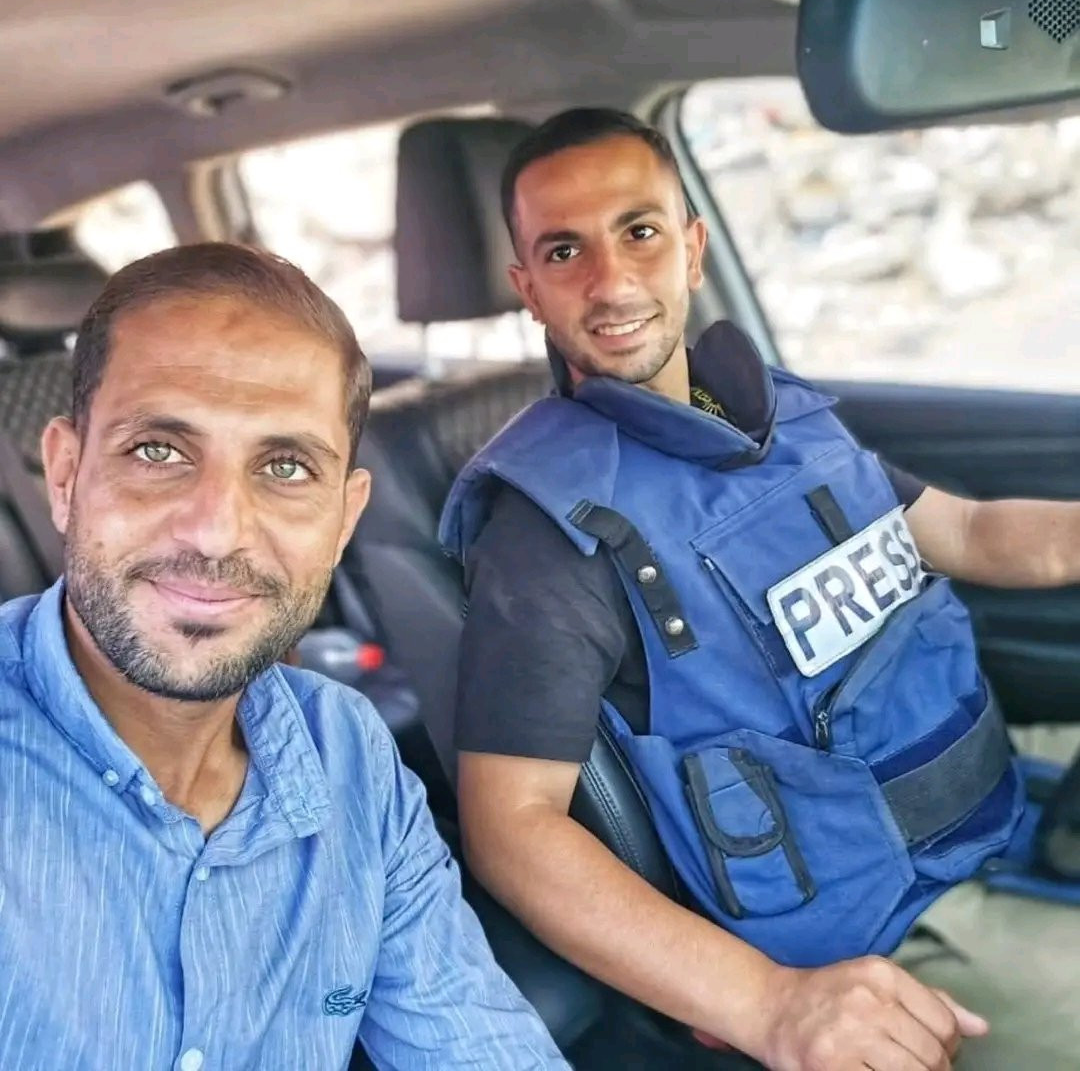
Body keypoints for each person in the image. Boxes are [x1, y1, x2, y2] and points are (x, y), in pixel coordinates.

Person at [440, 108, 1080, 1071]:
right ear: (527, 288)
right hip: (886, 931)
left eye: (639, 232)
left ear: (692, 248)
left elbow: (965, 532)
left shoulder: (773, 420)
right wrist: (767, 1004)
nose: (611, 281)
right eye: (564, 251)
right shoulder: (547, 532)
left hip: (1001, 792)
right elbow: (512, 827)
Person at [0, 243, 568, 1071]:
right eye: (158, 451)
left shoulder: (349, 757)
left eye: (286, 467)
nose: (216, 532)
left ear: (344, 520)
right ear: (63, 474)